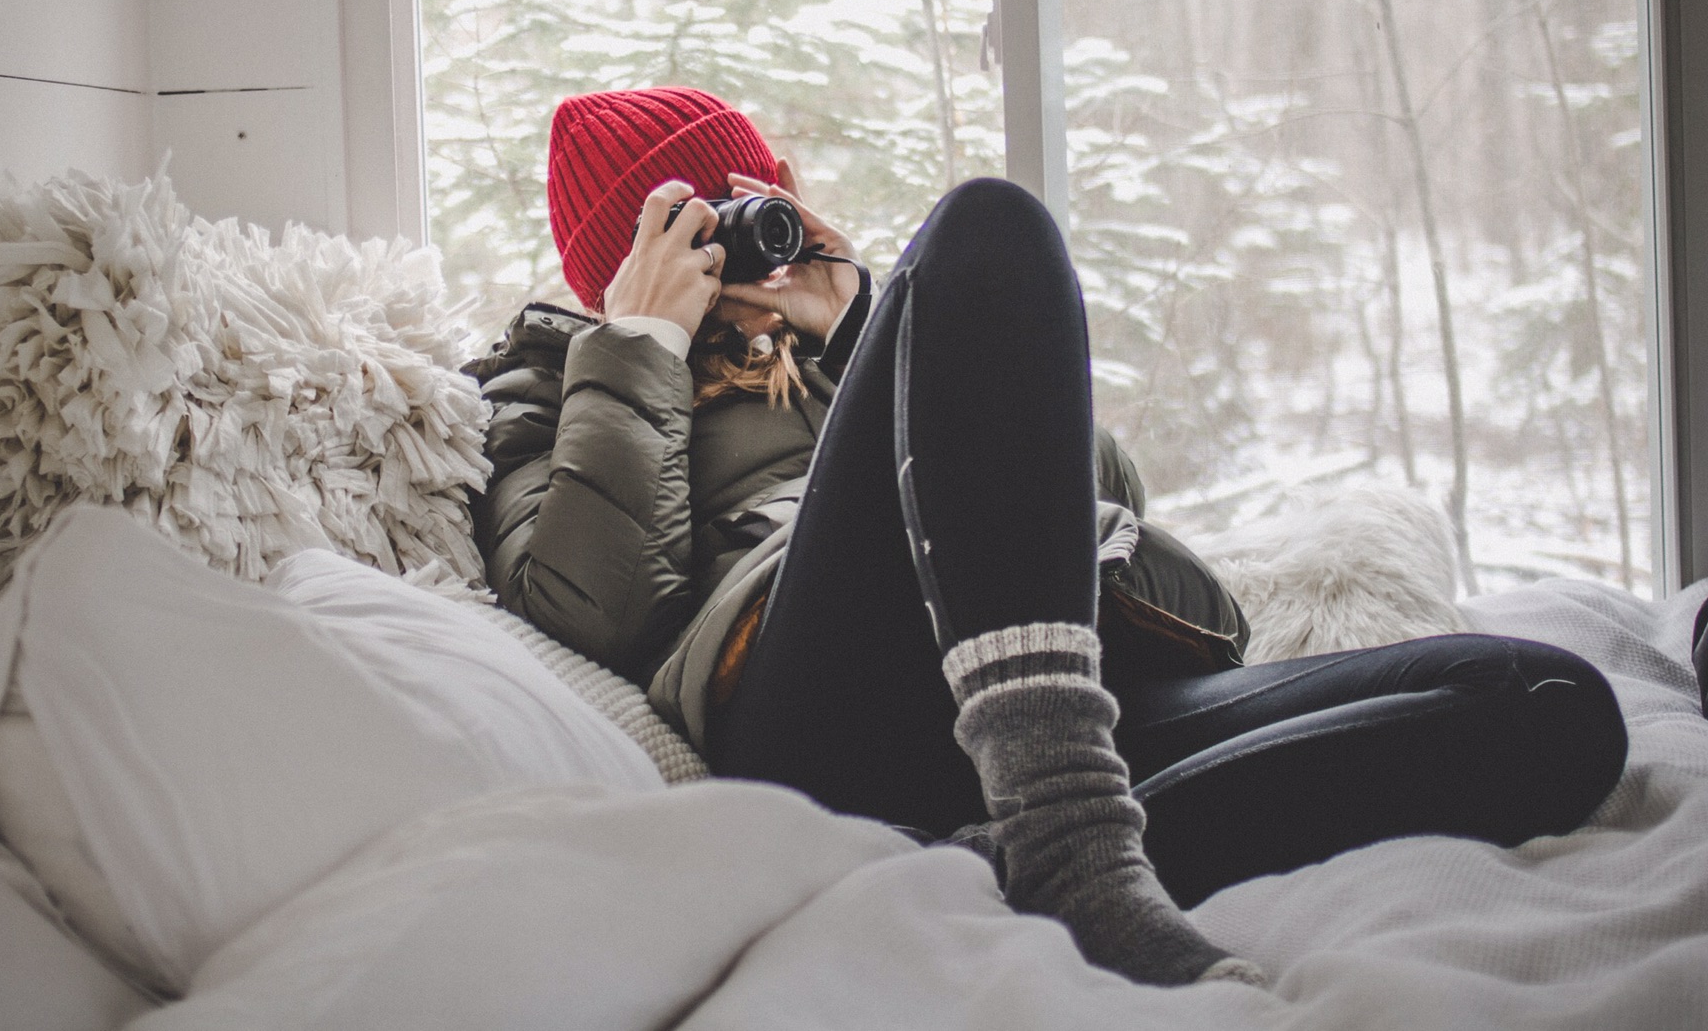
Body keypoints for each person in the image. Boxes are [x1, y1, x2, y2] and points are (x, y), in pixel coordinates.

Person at [465, 87, 1628, 987]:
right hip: (831, 699)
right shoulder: (550, 384)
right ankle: (1077, 851)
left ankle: (1001, 847)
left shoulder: (857, 352)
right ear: (635, 251)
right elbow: (592, 606)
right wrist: (640, 346)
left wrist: (865, 324)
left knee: (1545, 704)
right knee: (987, 221)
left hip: (1034, 718)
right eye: (709, 222)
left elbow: (1102, 505)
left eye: (759, 203)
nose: (752, 244)